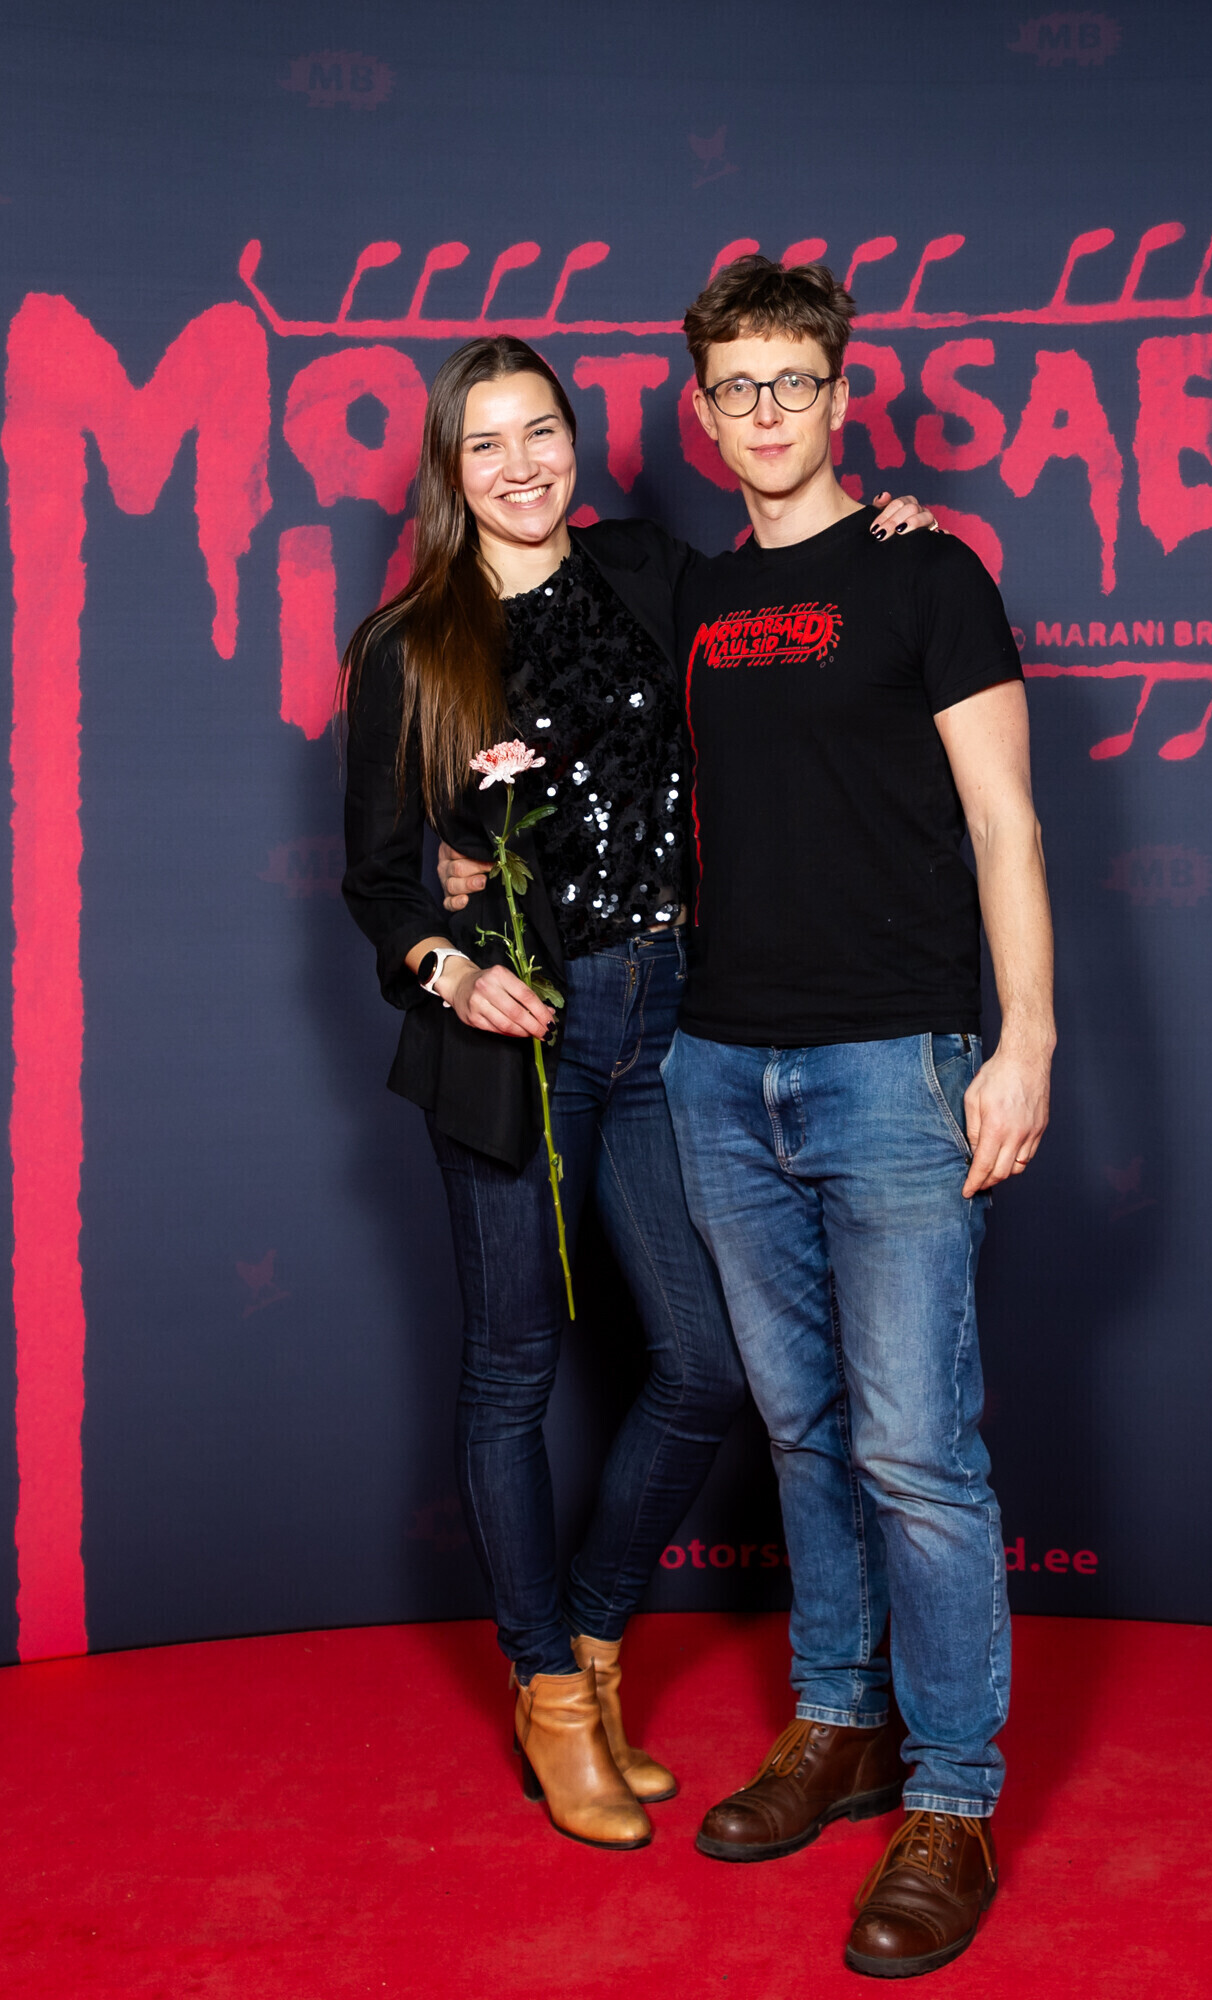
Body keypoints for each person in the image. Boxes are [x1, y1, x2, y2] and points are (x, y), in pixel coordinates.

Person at [453, 258, 1053, 1975]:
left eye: (797, 382)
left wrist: (1025, 1041)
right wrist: (448, 879)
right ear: (702, 414)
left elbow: (1005, 823)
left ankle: (952, 1794)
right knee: (799, 1429)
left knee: (916, 1451)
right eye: (739, 389)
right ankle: (839, 1722)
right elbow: (524, 628)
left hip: (896, 1064)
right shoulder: (687, 590)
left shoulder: (929, 571)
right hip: (715, 1071)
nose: (768, 412)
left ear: (842, 397)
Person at [338, 334, 933, 1850]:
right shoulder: (411, 644)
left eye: (541, 432)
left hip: (673, 1024)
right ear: (450, 469)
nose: (521, 465)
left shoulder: (653, 576)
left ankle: (594, 1641)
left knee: (705, 1366)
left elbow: (789, 606)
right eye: (486, 443)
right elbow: (379, 879)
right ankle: (547, 1694)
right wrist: (451, 968)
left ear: (576, 442)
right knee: (511, 1374)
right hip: (516, 1038)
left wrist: (882, 537)